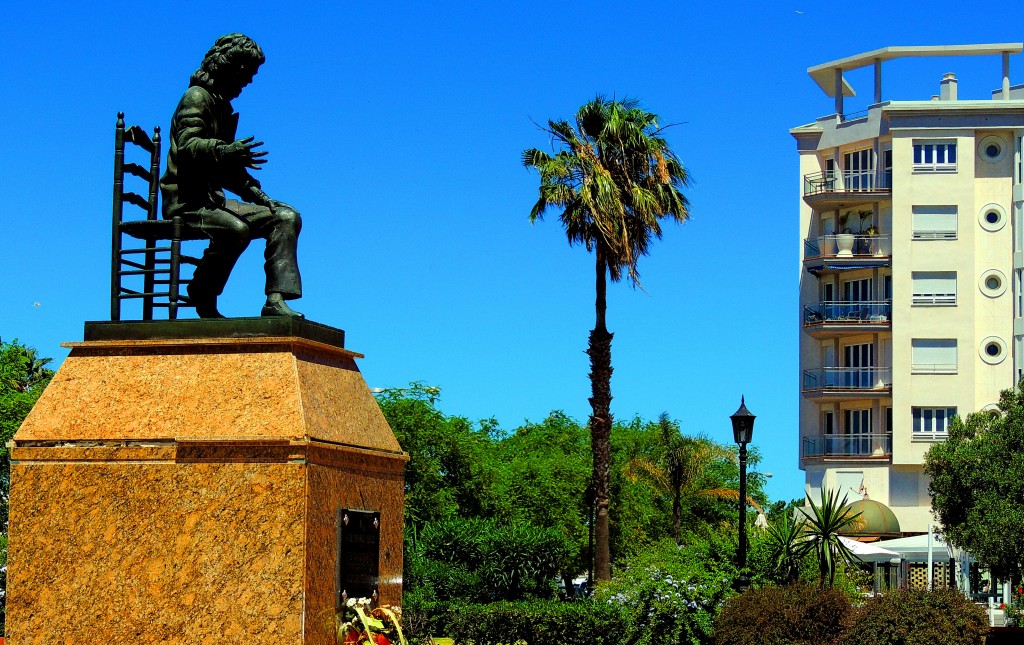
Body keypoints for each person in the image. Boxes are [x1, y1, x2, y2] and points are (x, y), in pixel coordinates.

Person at [160, 33, 303, 318]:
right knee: (237, 230)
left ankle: (274, 300)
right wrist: (227, 150)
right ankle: (203, 290)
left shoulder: (221, 107)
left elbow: (227, 170)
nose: (248, 81)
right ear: (231, 67)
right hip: (187, 203)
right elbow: (189, 148)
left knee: (285, 217)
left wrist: (258, 196)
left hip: (214, 201)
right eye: (247, 73)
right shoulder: (196, 98)